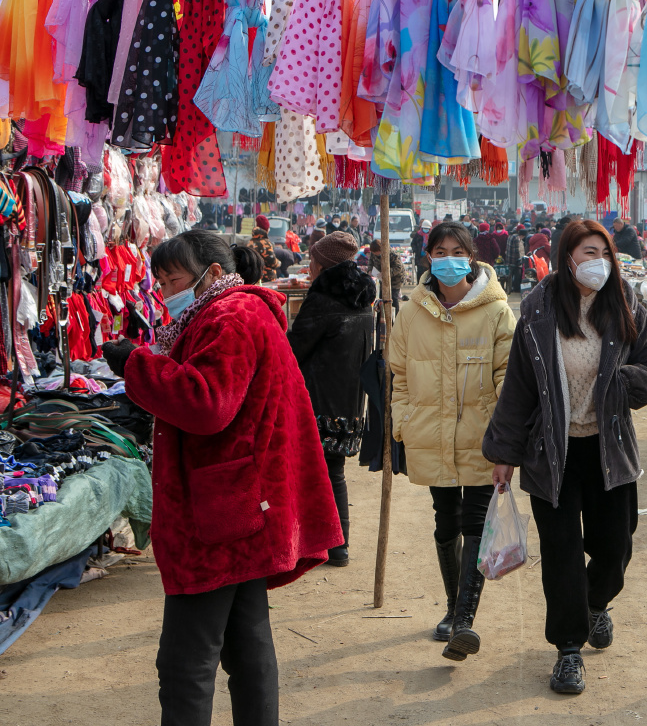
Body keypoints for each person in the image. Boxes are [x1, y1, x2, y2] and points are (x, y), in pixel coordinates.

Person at [100, 230, 341, 725]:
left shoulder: (230, 315)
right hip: (238, 502)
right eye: (161, 282)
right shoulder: (229, 311)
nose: (166, 293)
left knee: (186, 661)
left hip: (223, 511)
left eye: (174, 281)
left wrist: (137, 366)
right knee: (245, 642)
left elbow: (206, 403)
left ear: (211, 273)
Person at [483, 219, 647, 694]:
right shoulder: (539, 310)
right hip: (552, 453)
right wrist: (504, 453)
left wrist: (624, 383)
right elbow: (519, 388)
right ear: (567, 258)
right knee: (562, 553)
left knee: (615, 547)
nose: (599, 263)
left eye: (605, 254)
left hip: (609, 448)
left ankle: (595, 603)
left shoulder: (624, 303)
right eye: (589, 253)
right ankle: (568, 650)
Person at [390, 222, 516, 661]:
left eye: (457, 251)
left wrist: (504, 435)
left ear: (471, 257)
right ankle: (451, 608)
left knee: (475, 524)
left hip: (482, 437)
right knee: (446, 521)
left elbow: (509, 376)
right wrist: (403, 422)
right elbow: (398, 375)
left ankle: (463, 622)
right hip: (431, 433)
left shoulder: (497, 311)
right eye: (440, 251)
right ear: (428, 257)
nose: (448, 259)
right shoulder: (412, 313)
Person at [288, 232, 376, 567]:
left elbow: (295, 348)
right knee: (333, 471)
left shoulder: (322, 299)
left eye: (312, 260)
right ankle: (338, 546)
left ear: (323, 264)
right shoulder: (361, 297)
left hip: (319, 401)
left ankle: (318, 544)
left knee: (311, 472)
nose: (309, 266)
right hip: (349, 402)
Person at [369, 239, 406, 307]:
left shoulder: (392, 254)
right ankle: (382, 313)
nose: (374, 254)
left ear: (380, 250)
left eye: (376, 252)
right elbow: (371, 262)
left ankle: (395, 313)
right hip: (381, 278)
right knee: (381, 297)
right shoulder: (373, 253)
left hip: (396, 279)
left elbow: (398, 267)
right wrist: (370, 270)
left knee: (393, 297)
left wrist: (386, 273)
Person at [250, 216, 280, 283]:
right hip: (266, 278)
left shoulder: (250, 242)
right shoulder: (265, 243)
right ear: (266, 229)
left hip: (254, 277)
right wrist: (278, 263)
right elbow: (272, 261)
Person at [506, 224, 527, 293]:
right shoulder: (517, 239)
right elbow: (517, 251)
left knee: (510, 275)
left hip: (508, 259)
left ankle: (509, 288)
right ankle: (516, 288)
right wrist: (519, 261)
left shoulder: (510, 236)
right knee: (517, 275)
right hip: (514, 261)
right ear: (522, 235)